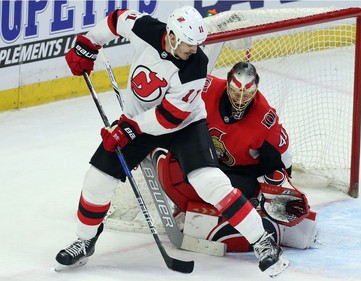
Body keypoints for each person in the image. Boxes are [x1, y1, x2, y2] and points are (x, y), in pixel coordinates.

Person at [55, 6, 288, 276]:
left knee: (210, 182)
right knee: (97, 179)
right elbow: (117, 19)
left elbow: (170, 118)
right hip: (139, 120)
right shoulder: (145, 29)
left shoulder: (194, 66)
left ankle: (263, 242)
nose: (195, 50)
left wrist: (129, 128)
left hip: (185, 125)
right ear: (173, 37)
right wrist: (89, 43)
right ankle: (85, 240)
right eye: (189, 44)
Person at [155, 61, 318, 252]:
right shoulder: (204, 89)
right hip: (205, 160)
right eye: (235, 91)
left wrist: (280, 189)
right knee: (171, 159)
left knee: (228, 186)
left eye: (247, 94)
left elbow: (282, 161)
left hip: (240, 174)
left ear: (256, 90)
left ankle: (251, 213)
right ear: (227, 84)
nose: (240, 100)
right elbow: (169, 101)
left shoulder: (264, 120)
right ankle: (192, 209)